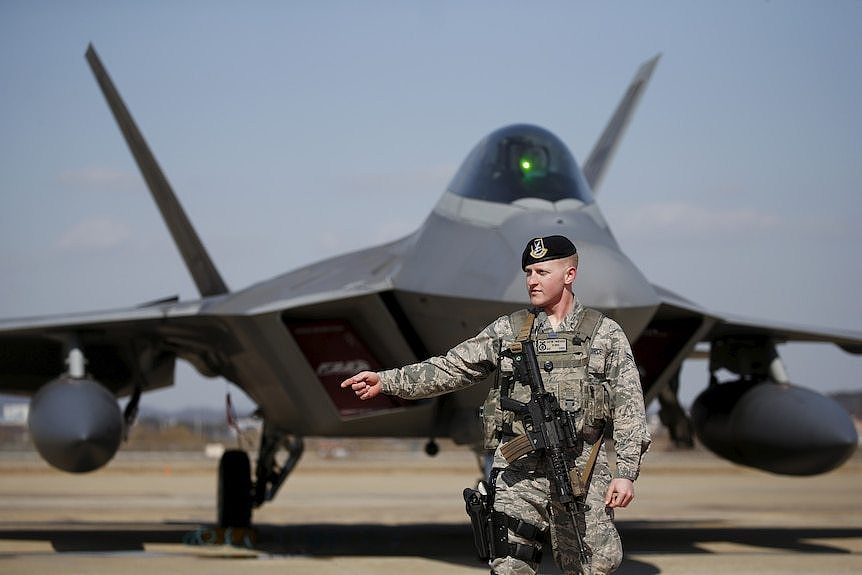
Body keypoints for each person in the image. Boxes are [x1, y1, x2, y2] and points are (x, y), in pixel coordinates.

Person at [341, 235, 650, 575]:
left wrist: (626, 473)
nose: (532, 280)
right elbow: (451, 367)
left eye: (542, 272)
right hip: (518, 474)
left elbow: (629, 407)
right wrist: (387, 381)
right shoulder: (509, 330)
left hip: (581, 472)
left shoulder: (605, 334)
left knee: (594, 566)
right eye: (528, 272)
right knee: (508, 566)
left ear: (569, 275)